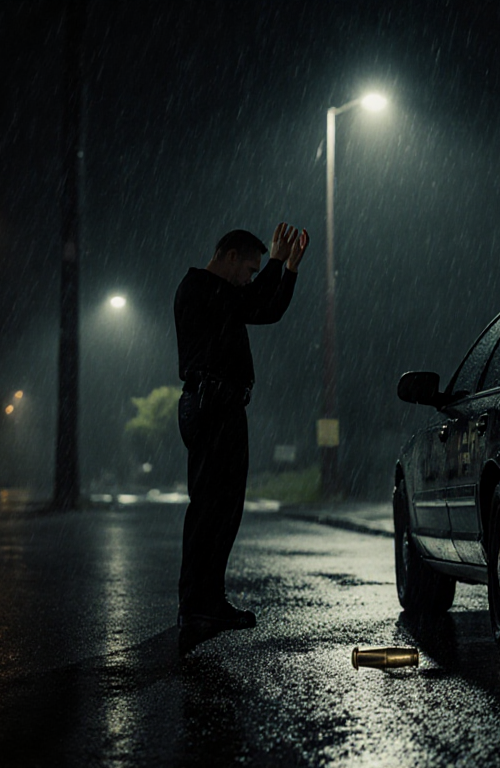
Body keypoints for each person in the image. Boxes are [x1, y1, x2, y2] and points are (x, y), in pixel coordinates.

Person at [173, 223, 309, 650]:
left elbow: (265, 309)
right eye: (248, 269)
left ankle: (207, 602)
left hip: (223, 407)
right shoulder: (200, 288)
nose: (250, 278)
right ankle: (197, 604)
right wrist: (275, 262)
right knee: (210, 509)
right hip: (211, 405)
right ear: (229, 257)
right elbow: (253, 301)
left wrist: (287, 270)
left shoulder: (223, 295)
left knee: (224, 510)